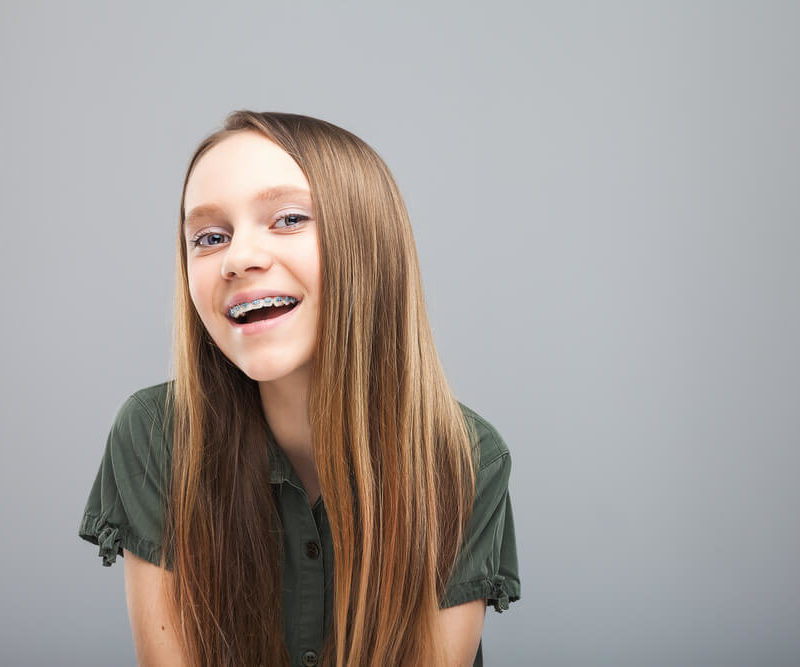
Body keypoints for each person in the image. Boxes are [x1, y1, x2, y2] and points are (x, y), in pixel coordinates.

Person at [78, 111, 520, 666]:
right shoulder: (155, 435)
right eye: (210, 237)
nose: (238, 259)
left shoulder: (463, 458)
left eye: (287, 219)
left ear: (367, 245)